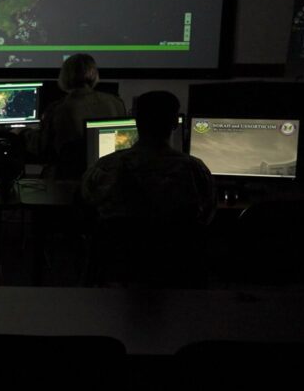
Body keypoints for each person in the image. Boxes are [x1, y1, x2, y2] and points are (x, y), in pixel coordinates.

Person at [80, 90, 216, 287]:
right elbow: (206, 217)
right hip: (178, 270)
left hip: (118, 268)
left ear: (136, 121)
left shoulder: (105, 167)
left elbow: (86, 209)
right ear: (175, 123)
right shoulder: (195, 170)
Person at [39, 53, 126, 177]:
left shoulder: (58, 109)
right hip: (109, 175)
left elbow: (44, 148)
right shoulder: (116, 103)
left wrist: (23, 134)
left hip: (70, 176)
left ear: (64, 76)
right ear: (94, 74)